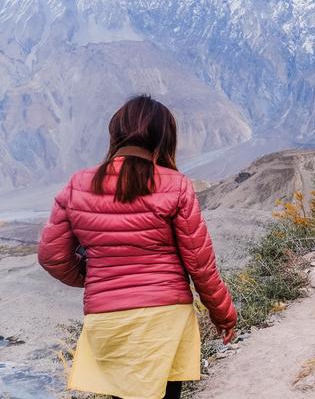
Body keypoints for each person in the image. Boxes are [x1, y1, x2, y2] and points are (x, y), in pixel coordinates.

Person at [38, 95, 236, 399]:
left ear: (116, 132)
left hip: (107, 319)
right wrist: (223, 315)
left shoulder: (77, 184)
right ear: (164, 137)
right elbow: (200, 263)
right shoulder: (175, 185)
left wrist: (98, 278)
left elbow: (52, 257)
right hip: (165, 318)